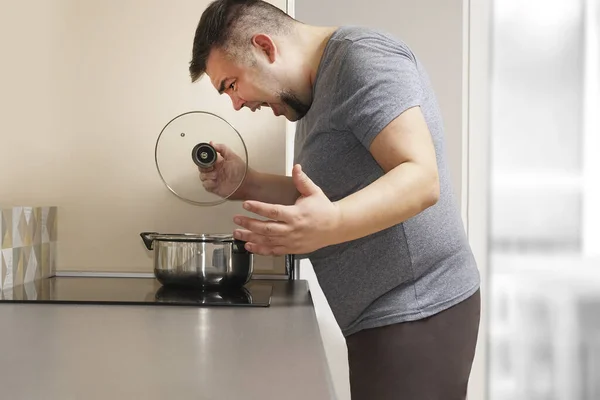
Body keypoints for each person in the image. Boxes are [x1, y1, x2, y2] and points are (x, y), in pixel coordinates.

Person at [189, 1, 481, 399]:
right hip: (382, 317)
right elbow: (325, 196)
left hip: (419, 307)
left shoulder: (361, 59)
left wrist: (329, 227)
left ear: (265, 47)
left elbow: (421, 178)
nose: (237, 104)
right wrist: (245, 182)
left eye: (232, 85)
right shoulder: (310, 94)